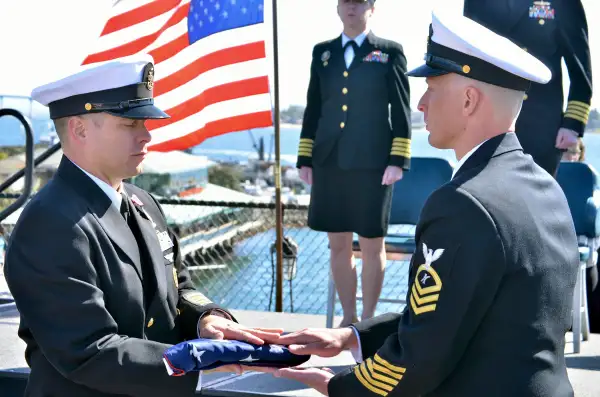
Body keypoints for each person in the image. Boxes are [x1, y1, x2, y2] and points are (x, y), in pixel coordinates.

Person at [270, 10, 580, 396]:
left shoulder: (464, 203)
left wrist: (339, 387)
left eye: (432, 87)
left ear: (468, 101)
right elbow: (448, 313)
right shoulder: (546, 189)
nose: (421, 104)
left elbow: (419, 358)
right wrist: (349, 337)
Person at [3, 55, 282, 397]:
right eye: (129, 124)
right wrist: (192, 360)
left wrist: (206, 319)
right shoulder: (51, 224)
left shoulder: (142, 203)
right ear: (79, 129)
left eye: (145, 123)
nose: (147, 135)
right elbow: (89, 352)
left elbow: (179, 288)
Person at [296, 0, 412, 326]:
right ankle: (347, 319)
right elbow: (313, 107)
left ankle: (368, 320)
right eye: (346, 1)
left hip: (374, 165)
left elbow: (401, 110)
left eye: (359, 2)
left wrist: (398, 160)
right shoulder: (323, 53)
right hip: (329, 162)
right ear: (337, 7)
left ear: (371, 8)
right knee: (338, 246)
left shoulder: (389, 52)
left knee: (373, 245)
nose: (352, 7)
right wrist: (305, 157)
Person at [463, 0, 593, 177]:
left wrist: (572, 125)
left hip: (540, 128)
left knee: (536, 198)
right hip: (486, 120)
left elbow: (580, 71)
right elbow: (466, 56)